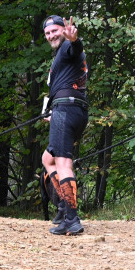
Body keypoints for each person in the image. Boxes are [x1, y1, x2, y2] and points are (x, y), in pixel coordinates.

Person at [41, 14, 88, 236]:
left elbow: (75, 48)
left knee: (63, 163)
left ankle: (72, 218)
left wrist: (74, 40)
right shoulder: (62, 57)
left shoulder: (67, 48)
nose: (51, 36)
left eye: (55, 31)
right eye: (47, 33)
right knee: (47, 159)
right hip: (71, 110)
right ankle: (63, 206)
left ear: (64, 30)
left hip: (67, 110)